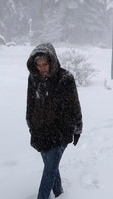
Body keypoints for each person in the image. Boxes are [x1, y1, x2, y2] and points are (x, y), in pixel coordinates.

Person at [26, 43, 83, 199]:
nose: (42, 68)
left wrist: (78, 129)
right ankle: (59, 193)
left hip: (60, 131)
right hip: (40, 131)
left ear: (52, 61)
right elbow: (30, 104)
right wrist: (31, 125)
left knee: (49, 169)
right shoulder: (33, 79)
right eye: (38, 65)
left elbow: (74, 105)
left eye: (45, 64)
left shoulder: (66, 78)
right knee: (51, 166)